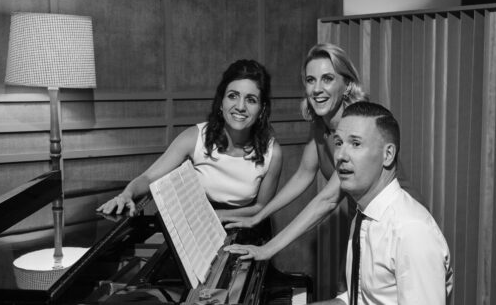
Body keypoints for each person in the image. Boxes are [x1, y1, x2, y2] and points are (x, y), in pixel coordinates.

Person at [223, 43, 367, 260]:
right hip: (361, 222)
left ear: (347, 85)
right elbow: (304, 174)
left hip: (391, 221)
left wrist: (268, 249)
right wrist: (258, 216)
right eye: (311, 80)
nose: (317, 89)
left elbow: (328, 200)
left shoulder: (356, 126)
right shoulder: (321, 123)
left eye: (327, 79)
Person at [96, 59, 282, 221]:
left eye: (251, 100)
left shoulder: (272, 152)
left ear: (262, 109)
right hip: (198, 230)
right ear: (221, 102)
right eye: (233, 96)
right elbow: (149, 177)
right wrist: (127, 194)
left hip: (246, 231)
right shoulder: (195, 137)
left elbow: (261, 208)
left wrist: (219, 217)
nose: (240, 106)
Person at [314, 101, 453, 305]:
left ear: (387, 155)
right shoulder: (364, 215)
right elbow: (360, 299)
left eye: (355, 144)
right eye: (338, 142)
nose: (341, 156)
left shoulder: (411, 232)